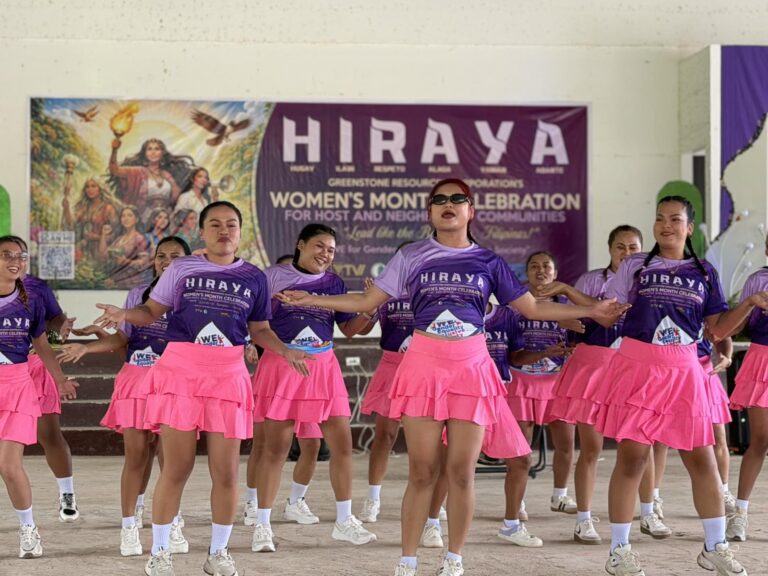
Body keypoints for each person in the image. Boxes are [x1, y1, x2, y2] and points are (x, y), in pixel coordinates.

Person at [278, 178, 627, 576]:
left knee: (460, 472)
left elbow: (532, 308)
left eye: (457, 198)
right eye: (439, 199)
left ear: (470, 211)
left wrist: (591, 311)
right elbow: (366, 300)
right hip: (423, 366)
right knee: (422, 472)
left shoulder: (489, 261)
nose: (448, 204)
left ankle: (454, 560)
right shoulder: (412, 255)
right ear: (429, 212)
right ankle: (407, 562)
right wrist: (312, 297)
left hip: (471, 368)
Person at [93, 201, 311, 576]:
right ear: (202, 231)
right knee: (176, 468)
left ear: (240, 231)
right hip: (181, 371)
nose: (224, 231)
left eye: (231, 224)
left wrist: (284, 350)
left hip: (228, 375)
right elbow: (151, 312)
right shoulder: (181, 268)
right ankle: (160, 552)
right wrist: (124, 314)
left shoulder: (254, 277)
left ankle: (218, 554)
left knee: (226, 473)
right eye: (215, 224)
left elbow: (260, 330)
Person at [594, 196, 752, 576]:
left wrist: (749, 304)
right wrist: (588, 307)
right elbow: (607, 311)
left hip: (684, 370)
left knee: (703, 460)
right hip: (638, 367)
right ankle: (619, 552)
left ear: (689, 227)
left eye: (675, 219)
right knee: (632, 459)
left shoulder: (705, 272)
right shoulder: (635, 265)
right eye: (660, 218)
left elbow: (716, 328)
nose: (666, 225)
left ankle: (715, 547)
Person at [58, 236, 191, 557]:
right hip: (136, 382)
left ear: (188, 262)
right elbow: (122, 339)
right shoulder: (138, 295)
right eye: (161, 256)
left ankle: (171, 520)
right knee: (137, 456)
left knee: (171, 460)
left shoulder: (194, 298)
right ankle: (130, 525)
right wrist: (88, 347)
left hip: (176, 384)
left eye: (175, 256)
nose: (167, 261)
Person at [249, 223, 376, 553]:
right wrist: (276, 349)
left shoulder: (333, 282)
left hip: (323, 367)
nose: (325, 254)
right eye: (319, 246)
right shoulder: (272, 277)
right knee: (275, 450)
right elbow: (256, 325)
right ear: (301, 244)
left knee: (342, 446)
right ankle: (262, 525)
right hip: (283, 365)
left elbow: (350, 329)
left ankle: (344, 520)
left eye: (331, 250)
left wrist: (369, 310)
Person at [547, 225, 643, 545]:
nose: (626, 253)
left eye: (633, 247)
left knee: (638, 445)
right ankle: (583, 519)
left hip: (633, 369)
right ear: (610, 249)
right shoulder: (590, 281)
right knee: (592, 448)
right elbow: (566, 316)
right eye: (620, 247)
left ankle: (649, 509)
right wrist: (573, 322)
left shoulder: (648, 283)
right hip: (592, 367)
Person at [0, 236, 78, 559]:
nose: (14, 261)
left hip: (17, 384)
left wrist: (60, 380)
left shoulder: (31, 298)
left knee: (9, 465)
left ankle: (28, 529)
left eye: (20, 255)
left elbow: (43, 344)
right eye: (6, 255)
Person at [506, 251, 577, 518]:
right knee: (520, 449)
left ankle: (560, 495)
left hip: (557, 381)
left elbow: (578, 340)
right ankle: (518, 502)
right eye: (534, 266)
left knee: (566, 444)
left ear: (555, 273)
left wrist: (572, 350)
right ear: (526, 274)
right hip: (522, 380)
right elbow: (510, 351)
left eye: (547, 266)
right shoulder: (515, 305)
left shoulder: (568, 306)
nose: (541, 271)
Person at [357, 243, 415, 525]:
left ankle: (429, 500)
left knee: (425, 440)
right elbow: (362, 329)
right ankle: (373, 498)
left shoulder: (432, 291)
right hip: (392, 367)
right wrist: (370, 305)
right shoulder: (385, 290)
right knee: (385, 436)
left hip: (426, 369)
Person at [725, 244, 768, 542]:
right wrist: (754, 305)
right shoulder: (758, 280)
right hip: (762, 359)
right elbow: (740, 325)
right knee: (761, 440)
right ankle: (739, 513)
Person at [109, 138, 194, 224]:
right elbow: (114, 170)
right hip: (143, 219)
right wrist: (114, 150)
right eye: (149, 149)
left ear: (162, 153)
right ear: (145, 153)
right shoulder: (138, 171)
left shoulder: (167, 175)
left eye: (157, 149)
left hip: (163, 220)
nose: (153, 152)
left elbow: (176, 198)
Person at [61, 177, 119, 262]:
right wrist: (66, 208)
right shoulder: (85, 207)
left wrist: (98, 237)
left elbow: (117, 234)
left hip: (101, 250)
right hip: (85, 249)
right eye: (87, 187)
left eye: (93, 186)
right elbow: (72, 223)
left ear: (100, 189)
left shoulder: (108, 208)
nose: (90, 189)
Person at [100, 205, 152, 288]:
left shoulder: (139, 238)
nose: (126, 218)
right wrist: (103, 235)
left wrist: (127, 262)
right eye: (123, 216)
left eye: (130, 215)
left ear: (136, 219)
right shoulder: (119, 239)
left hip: (132, 283)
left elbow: (144, 263)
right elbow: (104, 255)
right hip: (116, 281)